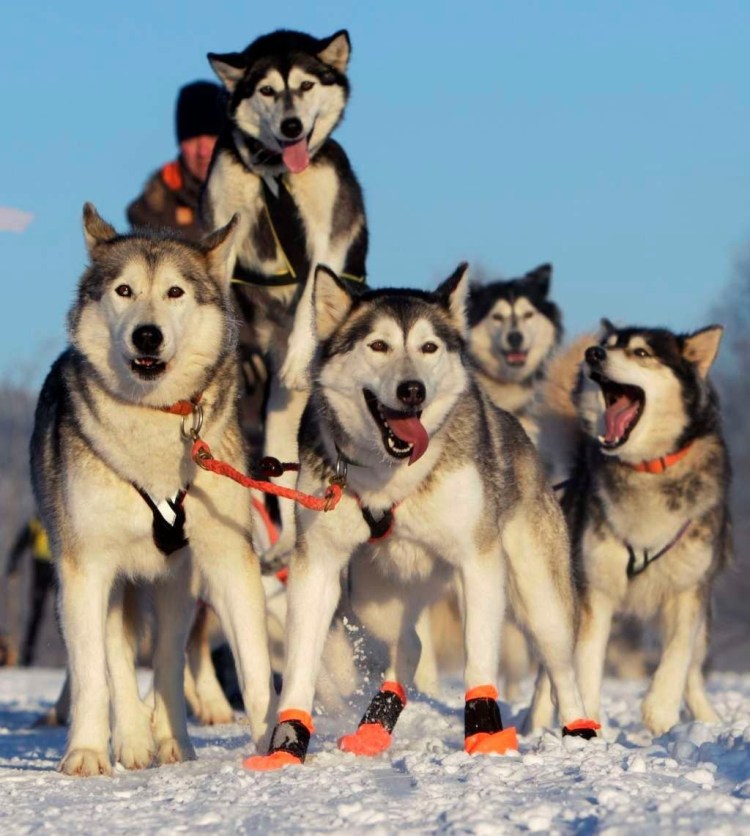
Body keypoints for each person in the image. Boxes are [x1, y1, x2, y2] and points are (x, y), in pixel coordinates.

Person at [127, 80, 226, 241]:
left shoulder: (253, 192)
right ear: (180, 144)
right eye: (192, 139)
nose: (202, 151)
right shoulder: (152, 208)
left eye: (211, 137)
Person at [5, 514, 54, 666]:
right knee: (36, 615)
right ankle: (27, 656)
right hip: (40, 573)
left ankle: (73, 653)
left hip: (58, 571)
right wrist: (12, 565)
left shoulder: (55, 522)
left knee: (64, 614)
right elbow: (19, 545)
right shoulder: (35, 525)